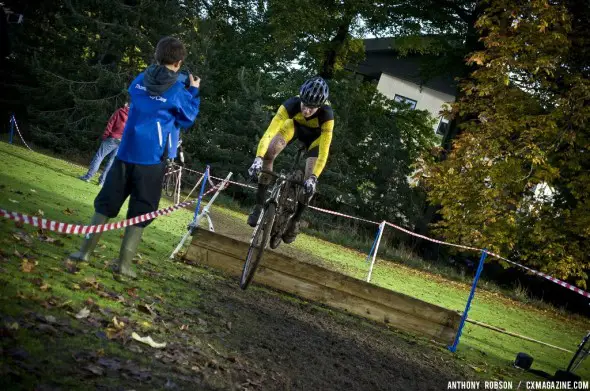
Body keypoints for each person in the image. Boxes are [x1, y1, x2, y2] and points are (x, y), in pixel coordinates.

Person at [70, 36, 201, 278]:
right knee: (141, 211)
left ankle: (83, 253)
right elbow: (187, 118)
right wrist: (193, 91)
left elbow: (140, 97)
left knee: (105, 204)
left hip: (125, 151)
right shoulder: (177, 91)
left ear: (157, 57)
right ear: (179, 62)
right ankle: (123, 266)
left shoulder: (140, 79)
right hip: (151, 159)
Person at [247, 77, 333, 243]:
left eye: (312, 108)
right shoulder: (290, 105)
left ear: (320, 106)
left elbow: (324, 151)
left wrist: (314, 178)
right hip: (293, 128)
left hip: (316, 139)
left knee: (309, 180)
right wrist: (258, 158)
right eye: (304, 105)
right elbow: (269, 133)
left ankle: (295, 220)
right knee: (269, 154)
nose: (307, 110)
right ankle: (258, 206)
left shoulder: (327, 115)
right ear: (300, 98)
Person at [79, 103, 129, 186]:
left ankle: (88, 177)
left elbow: (111, 123)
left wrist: (105, 135)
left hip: (112, 138)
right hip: (122, 141)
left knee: (99, 156)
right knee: (111, 161)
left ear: (127, 104)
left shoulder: (120, 111)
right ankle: (102, 182)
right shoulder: (134, 116)